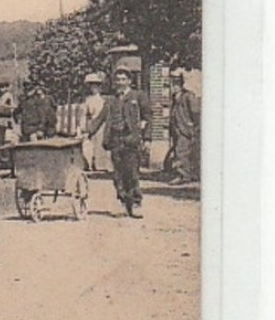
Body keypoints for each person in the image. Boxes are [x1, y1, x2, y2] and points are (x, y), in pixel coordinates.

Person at [87, 67, 151, 218]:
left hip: (131, 139)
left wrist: (147, 138)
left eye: (123, 79)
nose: (120, 83)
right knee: (118, 175)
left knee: (132, 172)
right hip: (115, 140)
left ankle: (135, 203)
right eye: (118, 80)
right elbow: (100, 118)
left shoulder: (138, 96)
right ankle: (123, 201)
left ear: (129, 81)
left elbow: (148, 117)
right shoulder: (111, 101)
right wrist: (87, 132)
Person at [166, 68, 201, 183]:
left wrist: (192, 125)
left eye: (176, 84)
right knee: (179, 151)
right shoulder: (174, 97)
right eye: (172, 84)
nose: (173, 87)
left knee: (182, 151)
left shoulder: (188, 96)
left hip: (185, 128)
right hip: (176, 129)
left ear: (181, 84)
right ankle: (184, 173)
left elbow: (195, 112)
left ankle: (184, 175)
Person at [80, 72, 109, 173]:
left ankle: (102, 165)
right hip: (92, 124)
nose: (94, 88)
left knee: (101, 144)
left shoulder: (104, 99)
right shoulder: (88, 100)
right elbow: (84, 114)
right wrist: (84, 128)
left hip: (102, 125)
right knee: (91, 145)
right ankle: (91, 164)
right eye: (92, 86)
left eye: (96, 86)